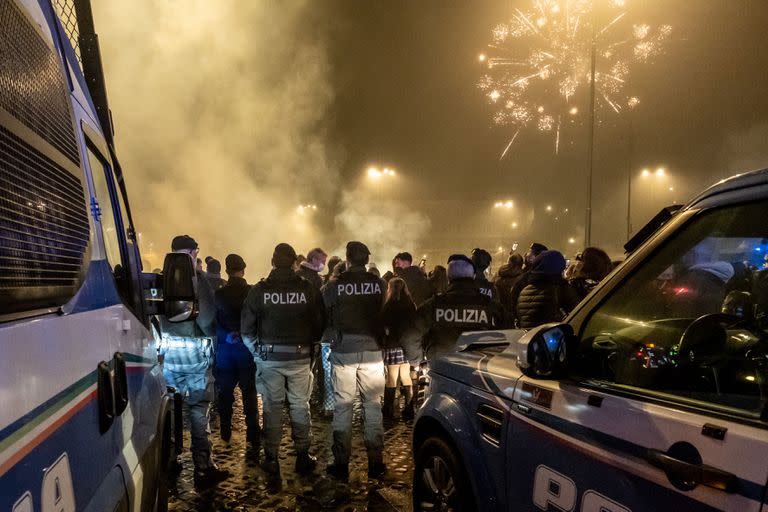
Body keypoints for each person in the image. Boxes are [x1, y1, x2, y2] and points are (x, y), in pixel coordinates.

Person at [241, 243, 325, 479]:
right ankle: (302, 456)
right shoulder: (307, 289)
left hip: (270, 358)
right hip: (299, 357)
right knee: (300, 406)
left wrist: (257, 351)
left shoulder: (260, 290)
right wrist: (312, 346)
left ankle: (271, 458)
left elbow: (246, 329)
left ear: (273, 262)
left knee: (272, 407)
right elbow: (320, 322)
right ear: (294, 263)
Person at [158, 235, 229, 489]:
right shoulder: (199, 281)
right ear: (192, 252)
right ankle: (203, 467)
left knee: (172, 410)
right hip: (196, 357)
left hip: (169, 357)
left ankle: (171, 460)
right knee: (199, 410)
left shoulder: (160, 278)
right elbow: (208, 318)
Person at [322, 241, 387, 480]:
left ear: (347, 260)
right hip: (372, 351)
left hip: (344, 351)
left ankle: (340, 464)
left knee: (343, 407)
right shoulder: (379, 284)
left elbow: (324, 310)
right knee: (373, 406)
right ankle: (376, 462)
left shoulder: (334, 286)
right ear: (367, 260)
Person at [403, 254, 505, 365]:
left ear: (448, 278)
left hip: (442, 370)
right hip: (479, 371)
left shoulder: (434, 305)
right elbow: (510, 335)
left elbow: (409, 334)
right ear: (474, 276)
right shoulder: (491, 306)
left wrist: (418, 360)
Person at [213, 254, 259, 454]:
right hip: (246, 348)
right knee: (249, 392)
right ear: (244, 268)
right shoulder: (251, 292)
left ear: (226, 270)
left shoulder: (219, 294)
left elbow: (213, 320)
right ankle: (253, 432)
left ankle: (225, 429)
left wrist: (227, 334)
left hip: (225, 349)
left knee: (225, 392)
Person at [381, 278, 417, 420]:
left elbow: (383, 324)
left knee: (391, 377)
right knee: (406, 375)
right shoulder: (410, 304)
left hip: (393, 344)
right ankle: (409, 409)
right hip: (406, 345)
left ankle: (388, 410)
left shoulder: (388, 305)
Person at [515, 250, 580, 328]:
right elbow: (578, 314)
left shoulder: (524, 290)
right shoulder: (562, 289)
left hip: (529, 337)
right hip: (552, 336)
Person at [493, 253, 525, 318]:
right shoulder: (522, 278)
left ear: (509, 262)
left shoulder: (498, 275)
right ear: (521, 264)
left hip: (499, 312)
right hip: (514, 313)